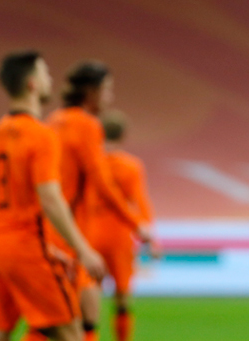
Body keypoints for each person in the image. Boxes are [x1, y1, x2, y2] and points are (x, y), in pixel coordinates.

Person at [34, 62, 154, 341]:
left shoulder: (53, 120)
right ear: (92, 92)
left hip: (50, 230)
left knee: (59, 321)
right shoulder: (87, 125)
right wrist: (138, 224)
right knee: (76, 322)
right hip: (73, 234)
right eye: (107, 89)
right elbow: (104, 186)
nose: (109, 96)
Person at [0, 51, 106, 341]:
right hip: (27, 246)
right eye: (45, 74)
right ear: (32, 84)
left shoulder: (0, 131)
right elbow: (50, 199)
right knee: (71, 334)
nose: (50, 80)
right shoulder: (41, 135)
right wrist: (82, 249)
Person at [84, 110, 158, 341]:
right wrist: (149, 236)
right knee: (123, 298)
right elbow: (141, 203)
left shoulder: (90, 164)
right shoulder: (131, 165)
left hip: (90, 233)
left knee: (89, 299)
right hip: (120, 236)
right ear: (123, 135)